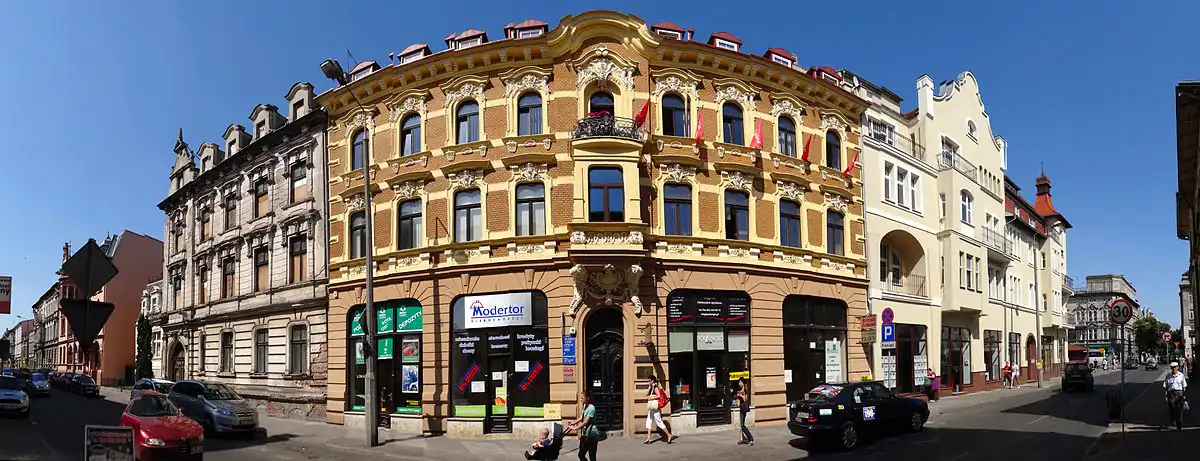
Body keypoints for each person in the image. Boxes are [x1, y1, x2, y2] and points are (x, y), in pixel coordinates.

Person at [567, 390, 599, 461]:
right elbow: (582, 416)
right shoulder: (585, 405)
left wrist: (575, 428)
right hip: (585, 434)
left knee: (592, 457)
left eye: (582, 398)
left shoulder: (591, 408)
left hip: (592, 435)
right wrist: (574, 422)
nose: (580, 400)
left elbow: (585, 422)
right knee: (581, 455)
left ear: (587, 398)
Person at [643, 375, 677, 444]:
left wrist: (652, 398)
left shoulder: (655, 387)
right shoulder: (651, 387)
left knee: (658, 422)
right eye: (648, 381)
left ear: (652, 381)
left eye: (649, 380)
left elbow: (659, 396)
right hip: (652, 407)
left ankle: (669, 435)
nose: (648, 382)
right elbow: (646, 394)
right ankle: (648, 438)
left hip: (655, 407)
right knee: (649, 421)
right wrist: (649, 387)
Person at [1165, 361, 1189, 431]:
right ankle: (1173, 418)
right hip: (1171, 393)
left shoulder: (1181, 375)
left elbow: (1184, 386)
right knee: (1172, 408)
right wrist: (1166, 396)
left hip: (1179, 393)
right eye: (1172, 367)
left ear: (1178, 367)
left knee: (1180, 410)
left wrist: (1184, 395)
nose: (1174, 369)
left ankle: (1179, 424)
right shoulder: (1168, 376)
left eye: (1175, 367)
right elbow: (1166, 386)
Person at [735, 378, 753, 446]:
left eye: (740, 382)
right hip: (741, 408)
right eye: (739, 382)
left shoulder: (745, 390)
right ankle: (742, 439)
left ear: (743, 383)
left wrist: (741, 396)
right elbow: (739, 400)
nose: (739, 383)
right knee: (741, 424)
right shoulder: (740, 390)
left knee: (742, 425)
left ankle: (750, 438)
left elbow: (745, 399)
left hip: (744, 409)